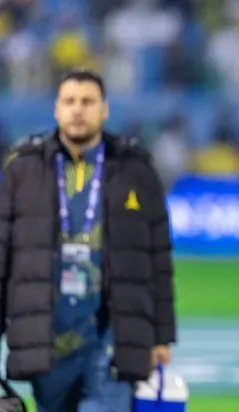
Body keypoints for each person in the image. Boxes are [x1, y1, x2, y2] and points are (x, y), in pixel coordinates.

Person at [0, 69, 176, 412]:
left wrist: (161, 335)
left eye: (87, 101)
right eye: (70, 101)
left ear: (104, 109)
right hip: (47, 334)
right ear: (57, 109)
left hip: (111, 333)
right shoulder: (24, 169)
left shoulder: (135, 169)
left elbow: (158, 258)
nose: (78, 109)